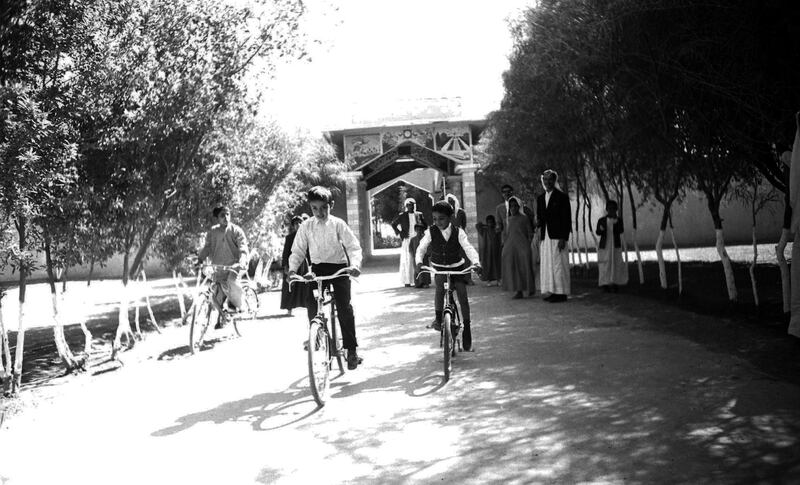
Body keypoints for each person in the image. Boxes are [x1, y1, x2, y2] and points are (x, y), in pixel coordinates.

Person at [288, 186, 363, 370]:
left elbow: (353, 247)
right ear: (310, 208)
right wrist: (292, 270)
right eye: (315, 208)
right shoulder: (306, 226)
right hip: (318, 270)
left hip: (339, 268)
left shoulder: (338, 224)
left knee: (344, 307)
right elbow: (298, 250)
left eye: (323, 207)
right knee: (312, 301)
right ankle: (317, 335)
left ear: (331, 205)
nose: (319, 212)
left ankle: (351, 349)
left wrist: (354, 265)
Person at [415, 201, 481, 352]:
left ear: (450, 218)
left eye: (442, 218)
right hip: (440, 268)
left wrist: (476, 262)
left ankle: (467, 327)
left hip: (457, 268)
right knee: (439, 289)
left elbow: (468, 248)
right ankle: (439, 319)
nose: (438, 222)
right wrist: (419, 262)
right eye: (435, 219)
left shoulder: (459, 232)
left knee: (462, 294)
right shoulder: (430, 232)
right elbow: (421, 248)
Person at [196, 206, 250, 326]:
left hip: (235, 267)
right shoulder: (212, 232)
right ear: (217, 218)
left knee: (231, 281)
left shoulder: (236, 230)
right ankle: (223, 317)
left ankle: (239, 305)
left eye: (227, 214)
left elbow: (243, 247)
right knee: (216, 294)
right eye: (222, 215)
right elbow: (207, 248)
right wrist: (200, 259)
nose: (226, 217)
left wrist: (242, 260)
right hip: (219, 267)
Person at [536, 170, 571, 303]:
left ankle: (561, 293)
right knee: (548, 264)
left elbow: (566, 219)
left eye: (550, 179)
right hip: (546, 236)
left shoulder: (562, 197)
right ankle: (551, 291)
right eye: (545, 179)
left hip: (558, 236)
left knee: (559, 264)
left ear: (554, 180)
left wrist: (563, 237)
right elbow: (540, 217)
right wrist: (538, 222)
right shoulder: (540, 198)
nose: (547, 182)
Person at [501, 197, 536, 299]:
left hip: (523, 247)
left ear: (519, 206)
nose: (513, 208)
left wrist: (528, 244)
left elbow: (530, 232)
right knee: (514, 269)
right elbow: (505, 234)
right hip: (511, 247)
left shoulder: (524, 218)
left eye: (515, 206)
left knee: (525, 267)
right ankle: (518, 290)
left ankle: (530, 288)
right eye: (511, 206)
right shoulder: (507, 220)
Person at [391, 198, 427, 287]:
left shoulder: (419, 214)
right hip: (407, 240)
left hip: (418, 239)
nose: (411, 207)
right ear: (406, 206)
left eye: (413, 205)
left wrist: (421, 232)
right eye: (409, 205)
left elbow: (425, 225)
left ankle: (419, 281)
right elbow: (393, 224)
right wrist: (400, 233)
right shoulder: (402, 215)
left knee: (418, 259)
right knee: (408, 260)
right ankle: (407, 281)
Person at [280, 215, 312, 316]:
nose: (298, 225)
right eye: (295, 223)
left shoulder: (307, 236)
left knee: (306, 286)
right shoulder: (289, 237)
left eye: (300, 223)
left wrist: (312, 266)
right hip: (291, 264)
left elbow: (310, 252)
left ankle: (309, 307)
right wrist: (285, 266)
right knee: (290, 286)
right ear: (293, 226)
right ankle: (289, 309)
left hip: (303, 265)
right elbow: (285, 253)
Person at [596, 200, 628, 292]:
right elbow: (598, 232)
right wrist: (602, 229)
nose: (611, 211)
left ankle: (615, 283)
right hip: (605, 247)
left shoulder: (619, 220)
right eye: (610, 209)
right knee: (605, 265)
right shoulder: (601, 220)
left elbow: (621, 231)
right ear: (606, 209)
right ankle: (605, 284)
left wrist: (616, 222)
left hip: (615, 246)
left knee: (616, 264)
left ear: (616, 210)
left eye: (613, 209)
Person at [445, 193, 473, 285]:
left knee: (465, 257)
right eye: (448, 202)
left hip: (460, 237)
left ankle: (467, 278)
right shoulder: (445, 213)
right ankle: (454, 280)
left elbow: (464, 225)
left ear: (455, 201)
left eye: (452, 201)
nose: (450, 203)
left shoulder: (461, 212)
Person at [475, 215, 501, 286]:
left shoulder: (496, 230)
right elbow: (477, 225)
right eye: (488, 222)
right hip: (487, 252)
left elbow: (500, 233)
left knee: (497, 266)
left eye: (491, 222)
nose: (490, 224)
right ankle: (488, 280)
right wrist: (485, 225)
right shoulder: (484, 230)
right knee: (488, 266)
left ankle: (498, 279)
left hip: (496, 251)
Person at [408, 223, 431, 288]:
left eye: (420, 229)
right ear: (415, 230)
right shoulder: (413, 239)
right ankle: (417, 283)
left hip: (424, 257)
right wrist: (413, 256)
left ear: (423, 230)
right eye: (417, 229)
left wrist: (427, 254)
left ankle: (425, 283)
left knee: (425, 270)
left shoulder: (425, 239)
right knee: (417, 270)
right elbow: (410, 248)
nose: (419, 231)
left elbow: (429, 247)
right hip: (416, 258)